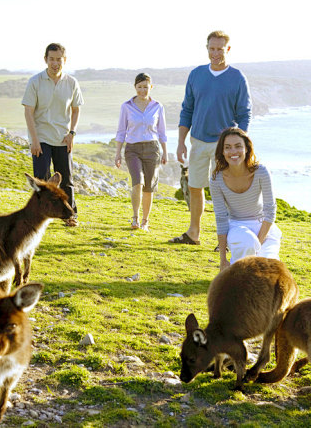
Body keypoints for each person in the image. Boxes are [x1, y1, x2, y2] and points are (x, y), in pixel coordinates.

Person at [169, 30, 252, 245]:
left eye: (220, 49)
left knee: (225, 191)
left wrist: (239, 144)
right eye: (212, 49)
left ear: (228, 49)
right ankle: (193, 234)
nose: (215, 53)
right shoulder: (196, 75)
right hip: (197, 141)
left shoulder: (237, 78)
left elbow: (244, 113)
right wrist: (180, 142)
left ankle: (226, 239)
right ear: (207, 48)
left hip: (224, 146)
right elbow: (187, 109)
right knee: (195, 187)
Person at [22, 43, 84, 227]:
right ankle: (39, 216)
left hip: (63, 137)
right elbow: (28, 112)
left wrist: (72, 133)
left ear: (64, 60)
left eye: (59, 59)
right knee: (41, 179)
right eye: (52, 59)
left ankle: (69, 215)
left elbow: (75, 110)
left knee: (66, 178)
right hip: (40, 137)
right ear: (45, 60)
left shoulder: (71, 82)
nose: (55, 63)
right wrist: (34, 140)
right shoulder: (35, 81)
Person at [209, 127, 281, 271]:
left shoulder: (261, 172)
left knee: (268, 270)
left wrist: (258, 246)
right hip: (237, 227)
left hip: (264, 227)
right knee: (247, 243)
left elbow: (270, 211)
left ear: (247, 149)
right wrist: (223, 260)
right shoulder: (216, 179)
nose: (233, 152)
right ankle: (235, 271)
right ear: (222, 152)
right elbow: (221, 218)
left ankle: (240, 268)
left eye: (238, 146)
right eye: (228, 147)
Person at [115, 73, 168, 231]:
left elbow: (162, 132)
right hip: (133, 149)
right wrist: (117, 153)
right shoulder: (126, 106)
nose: (143, 90)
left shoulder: (158, 106)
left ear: (151, 87)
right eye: (139, 87)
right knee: (137, 182)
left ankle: (145, 221)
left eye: (146, 87)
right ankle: (135, 218)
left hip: (152, 149)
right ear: (135, 87)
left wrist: (165, 152)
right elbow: (121, 131)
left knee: (149, 187)